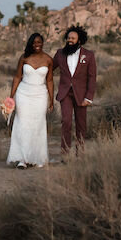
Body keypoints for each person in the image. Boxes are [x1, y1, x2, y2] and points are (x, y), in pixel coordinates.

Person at [5, 32, 54, 168]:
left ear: (43, 43)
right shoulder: (24, 58)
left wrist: (51, 100)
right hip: (23, 93)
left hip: (40, 95)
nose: (37, 45)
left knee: (38, 124)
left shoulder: (48, 60)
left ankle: (36, 157)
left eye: (39, 42)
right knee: (23, 124)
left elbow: (49, 80)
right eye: (34, 43)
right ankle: (22, 159)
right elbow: (17, 77)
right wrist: (11, 96)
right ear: (30, 44)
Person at [52, 25, 96, 156]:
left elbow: (92, 77)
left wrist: (89, 97)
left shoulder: (88, 55)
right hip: (65, 93)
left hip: (81, 95)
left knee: (81, 124)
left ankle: (80, 152)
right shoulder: (60, 53)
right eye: (68, 38)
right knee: (66, 121)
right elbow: (50, 68)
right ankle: (65, 153)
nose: (70, 40)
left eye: (73, 38)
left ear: (80, 40)